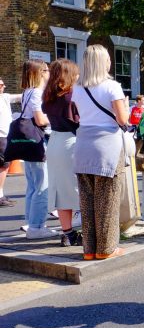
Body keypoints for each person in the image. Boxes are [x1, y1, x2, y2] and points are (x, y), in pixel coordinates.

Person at [72, 44, 130, 259]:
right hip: (107, 145)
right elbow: (122, 119)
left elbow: (79, 115)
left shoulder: (76, 88)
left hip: (83, 143)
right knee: (107, 198)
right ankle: (106, 248)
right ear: (103, 62)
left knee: (87, 200)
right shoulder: (112, 86)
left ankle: (89, 249)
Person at [42, 59, 82, 246]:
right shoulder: (72, 96)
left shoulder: (49, 95)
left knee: (60, 192)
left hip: (54, 142)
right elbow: (81, 121)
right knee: (80, 189)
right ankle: (87, 232)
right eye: (75, 73)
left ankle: (68, 233)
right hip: (71, 142)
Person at [18, 60, 54, 239]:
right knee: (42, 186)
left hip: (27, 143)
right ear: (40, 72)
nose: (50, 73)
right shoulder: (37, 93)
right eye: (47, 70)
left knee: (33, 185)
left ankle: (31, 222)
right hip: (38, 142)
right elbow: (40, 120)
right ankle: (37, 226)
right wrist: (55, 117)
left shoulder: (27, 92)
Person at [0, 78, 22, 207]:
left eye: (3, 84)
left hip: (4, 135)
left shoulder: (5, 97)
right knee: (3, 166)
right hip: (2, 136)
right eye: (1, 85)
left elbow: (19, 97)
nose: (3, 87)